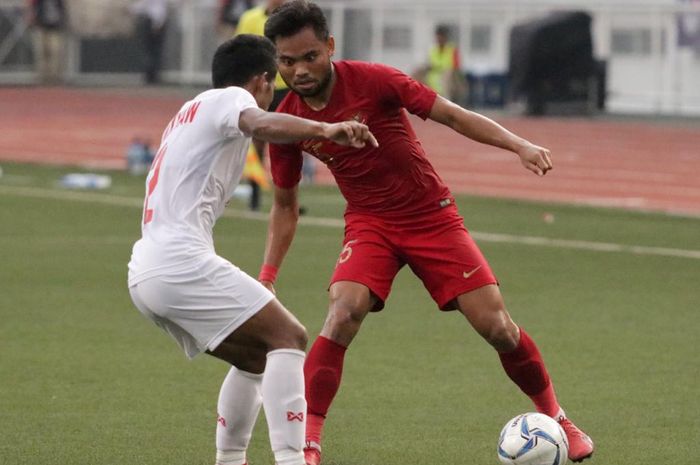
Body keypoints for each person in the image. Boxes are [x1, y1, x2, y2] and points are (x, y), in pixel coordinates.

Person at [259, 1, 595, 464]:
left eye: (309, 56)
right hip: (369, 223)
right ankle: (308, 444)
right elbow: (284, 205)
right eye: (287, 61)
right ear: (276, 61)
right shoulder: (290, 120)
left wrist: (519, 144)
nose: (298, 70)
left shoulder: (375, 80)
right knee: (341, 314)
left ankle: (557, 417)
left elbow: (453, 115)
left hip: (430, 216)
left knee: (497, 327)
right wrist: (267, 275)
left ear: (330, 47)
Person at [127, 34, 377, 465]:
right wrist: (325, 128)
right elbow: (259, 124)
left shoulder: (187, 112)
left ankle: (230, 460)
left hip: (147, 269)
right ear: (261, 81)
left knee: (257, 357)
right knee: (290, 337)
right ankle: (292, 459)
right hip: (177, 261)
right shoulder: (228, 100)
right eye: (275, 83)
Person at [236, 0, 289, 211]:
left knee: (287, 143)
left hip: (285, 88)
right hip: (260, 89)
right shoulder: (250, 19)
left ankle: (286, 199)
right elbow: (239, 50)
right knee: (257, 142)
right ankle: (255, 195)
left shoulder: (291, 19)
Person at [26, 0, 67, 84]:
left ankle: (54, 76)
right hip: (41, 26)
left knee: (55, 51)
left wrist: (63, 22)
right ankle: (42, 76)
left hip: (55, 27)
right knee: (41, 52)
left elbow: (63, 9)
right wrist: (32, 18)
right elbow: (32, 7)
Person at [130, 0, 169, 84]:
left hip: (152, 22)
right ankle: (150, 75)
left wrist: (157, 23)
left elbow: (157, 9)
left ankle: (151, 75)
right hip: (152, 22)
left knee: (152, 51)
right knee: (151, 50)